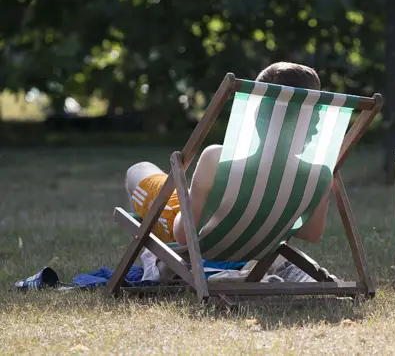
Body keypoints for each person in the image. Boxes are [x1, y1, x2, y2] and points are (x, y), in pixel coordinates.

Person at [125, 62, 331, 247]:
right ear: (314, 121)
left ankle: (158, 260)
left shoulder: (217, 159)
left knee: (139, 170)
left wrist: (190, 202)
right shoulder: (320, 174)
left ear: (257, 116)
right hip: (257, 245)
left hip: (203, 243)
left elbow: (183, 236)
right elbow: (311, 233)